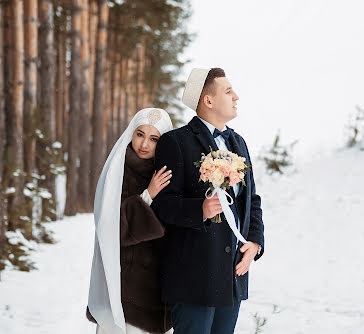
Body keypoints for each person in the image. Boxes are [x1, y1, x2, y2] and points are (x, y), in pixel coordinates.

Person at [151, 68, 265, 334]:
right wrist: (199, 209)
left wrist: (255, 244)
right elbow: (163, 205)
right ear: (208, 100)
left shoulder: (239, 143)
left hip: (232, 277)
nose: (236, 96)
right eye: (228, 91)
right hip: (193, 280)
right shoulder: (175, 142)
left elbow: (252, 201)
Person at [86, 108, 174, 334]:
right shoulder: (118, 170)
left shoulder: (170, 173)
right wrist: (148, 195)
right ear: (130, 134)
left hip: (156, 286)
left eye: (154, 138)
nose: (144, 144)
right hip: (124, 282)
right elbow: (111, 227)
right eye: (140, 134)